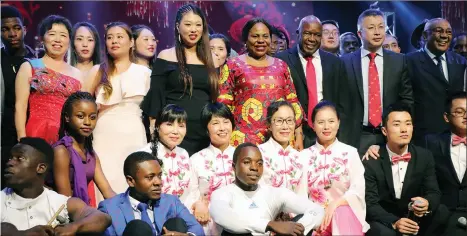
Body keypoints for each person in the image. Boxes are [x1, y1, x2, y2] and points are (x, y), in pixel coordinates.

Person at [364, 92, 466, 236]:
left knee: (441, 213)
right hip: (386, 221)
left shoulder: (424, 156)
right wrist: (395, 222)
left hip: (416, 219)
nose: (404, 130)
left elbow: (434, 192)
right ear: (384, 131)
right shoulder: (372, 159)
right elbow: (370, 203)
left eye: (408, 123)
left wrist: (426, 203)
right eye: (397, 124)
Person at [84, 22, 151, 198]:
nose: (114, 41)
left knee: (134, 180)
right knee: (105, 184)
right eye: (109, 37)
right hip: (103, 135)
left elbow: (152, 113)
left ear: (131, 43)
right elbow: (80, 106)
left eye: (119, 37)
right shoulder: (97, 71)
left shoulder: (144, 72)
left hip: (134, 135)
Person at [142, 3, 219, 156]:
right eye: (188, 24)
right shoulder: (165, 56)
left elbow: (214, 99)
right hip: (173, 131)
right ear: (178, 26)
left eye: (198, 25)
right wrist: (153, 129)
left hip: (203, 132)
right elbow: (156, 96)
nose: (193, 29)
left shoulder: (213, 60)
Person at [218, 18, 304, 149]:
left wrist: (298, 134)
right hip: (244, 139)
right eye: (255, 36)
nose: (260, 40)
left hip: (281, 138)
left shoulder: (282, 66)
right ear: (245, 40)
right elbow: (223, 105)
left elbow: (293, 102)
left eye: (265, 36)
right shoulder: (232, 65)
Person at [209, 143, 325, 235]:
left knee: (300, 224)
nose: (254, 168)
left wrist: (298, 228)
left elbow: (317, 210)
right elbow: (225, 218)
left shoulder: (273, 192)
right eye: (247, 162)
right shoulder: (221, 194)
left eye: (259, 163)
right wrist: (269, 225)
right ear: (234, 167)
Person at [1, 137, 111, 235]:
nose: (10, 162)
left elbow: (102, 217)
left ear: (41, 168)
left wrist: (74, 227)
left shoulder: (60, 203)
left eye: (20, 158)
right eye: (11, 158)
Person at [341, 9, 413, 154]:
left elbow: (407, 99)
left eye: (381, 27)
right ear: (360, 33)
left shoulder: (399, 61)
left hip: (390, 135)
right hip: (356, 136)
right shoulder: (344, 62)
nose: (377, 32)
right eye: (371, 28)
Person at [275, 15, 349, 148]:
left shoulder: (335, 63)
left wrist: (340, 134)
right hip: (293, 133)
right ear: (298, 33)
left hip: (327, 133)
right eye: (307, 33)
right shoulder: (281, 60)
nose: (312, 39)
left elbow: (343, 101)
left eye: (317, 35)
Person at [299, 100, 369, 235]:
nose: (326, 127)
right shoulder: (303, 156)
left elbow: (357, 189)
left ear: (338, 123)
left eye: (331, 121)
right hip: (315, 219)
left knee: (342, 212)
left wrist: (335, 205)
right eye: (321, 122)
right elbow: (300, 196)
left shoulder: (350, 153)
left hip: (344, 216)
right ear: (313, 125)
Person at [98, 151, 204, 236]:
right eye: (150, 177)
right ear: (131, 181)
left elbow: (197, 229)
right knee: (138, 229)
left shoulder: (171, 202)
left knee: (177, 224)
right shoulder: (109, 208)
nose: (158, 182)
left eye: (159, 176)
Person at [15, 15, 82, 145]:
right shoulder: (31, 66)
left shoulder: (77, 74)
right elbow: (20, 106)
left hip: (67, 136)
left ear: (69, 41)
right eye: (52, 34)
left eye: (63, 35)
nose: (57, 40)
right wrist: (21, 139)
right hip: (36, 133)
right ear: (42, 39)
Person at [406, 18, 467, 144]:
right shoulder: (408, 61)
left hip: (454, 135)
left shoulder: (460, 61)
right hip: (423, 137)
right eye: (438, 31)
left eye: (448, 32)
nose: (444, 36)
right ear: (424, 35)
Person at [51, 91, 115, 205]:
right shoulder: (61, 151)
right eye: (80, 116)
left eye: (92, 117)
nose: (87, 122)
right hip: (62, 213)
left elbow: (107, 191)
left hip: (82, 210)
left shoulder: (90, 155)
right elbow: (65, 200)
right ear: (67, 118)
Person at [186, 102, 236, 235]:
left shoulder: (242, 155)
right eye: (215, 123)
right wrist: (197, 204)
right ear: (206, 129)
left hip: (239, 218)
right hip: (209, 221)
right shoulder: (196, 160)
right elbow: (191, 192)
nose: (222, 128)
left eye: (226, 122)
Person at [1, 5, 37, 189]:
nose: (12, 33)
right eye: (5, 29)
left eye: (16, 28)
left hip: (31, 130)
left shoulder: (36, 60)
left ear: (24, 29)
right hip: (4, 135)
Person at [139, 104, 195, 201]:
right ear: (157, 126)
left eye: (181, 126)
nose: (176, 131)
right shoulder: (144, 154)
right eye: (169, 124)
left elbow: (192, 188)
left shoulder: (184, 153)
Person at [259, 101, 306, 195]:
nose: (285, 126)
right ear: (269, 125)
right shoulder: (259, 153)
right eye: (279, 121)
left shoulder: (300, 157)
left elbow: (302, 196)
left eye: (289, 120)